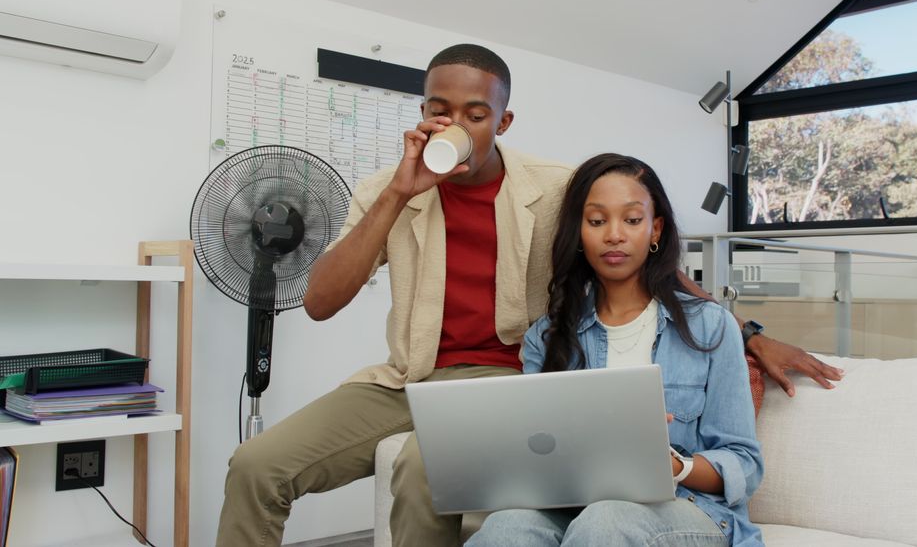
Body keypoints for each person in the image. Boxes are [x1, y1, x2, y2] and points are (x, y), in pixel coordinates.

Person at [215, 44, 838, 547]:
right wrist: (398, 194)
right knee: (256, 465)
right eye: (439, 109)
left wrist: (749, 333)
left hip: (501, 376)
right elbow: (321, 301)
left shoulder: (557, 187)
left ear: (502, 121)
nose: (453, 126)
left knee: (418, 466)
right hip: (407, 375)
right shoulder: (390, 188)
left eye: (474, 114)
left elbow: (638, 256)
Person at [465, 153, 764, 547]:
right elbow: (536, 456)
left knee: (605, 522)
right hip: (573, 507)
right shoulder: (548, 336)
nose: (614, 235)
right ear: (579, 232)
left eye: (633, 220)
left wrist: (674, 465)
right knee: (506, 528)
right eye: (597, 220)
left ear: (655, 230)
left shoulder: (711, 326)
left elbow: (744, 461)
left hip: (689, 506)